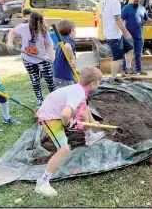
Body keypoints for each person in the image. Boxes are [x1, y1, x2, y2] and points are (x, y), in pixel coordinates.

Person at [35, 66, 105, 196]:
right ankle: (42, 183)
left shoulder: (80, 89)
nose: (99, 85)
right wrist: (68, 124)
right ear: (93, 83)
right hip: (49, 118)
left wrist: (93, 122)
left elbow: (84, 108)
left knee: (82, 110)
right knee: (64, 149)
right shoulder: (78, 93)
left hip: (53, 111)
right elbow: (65, 114)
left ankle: (89, 136)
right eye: (99, 82)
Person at [7, 11, 56, 109]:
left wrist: (53, 59)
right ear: (32, 22)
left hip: (42, 59)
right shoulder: (23, 28)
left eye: (42, 22)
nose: (41, 24)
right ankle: (40, 100)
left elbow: (48, 45)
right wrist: (10, 42)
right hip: (28, 59)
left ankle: (54, 99)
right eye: (38, 22)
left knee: (50, 80)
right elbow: (12, 31)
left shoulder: (44, 30)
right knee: (35, 81)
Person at [99, 0, 134, 85]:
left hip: (115, 33)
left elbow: (101, 15)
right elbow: (118, 19)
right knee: (117, 58)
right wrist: (126, 32)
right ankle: (113, 78)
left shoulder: (105, 0)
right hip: (114, 35)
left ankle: (127, 69)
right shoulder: (115, 2)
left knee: (130, 48)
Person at [121, 0, 152, 76]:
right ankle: (125, 70)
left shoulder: (142, 8)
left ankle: (138, 69)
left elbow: (146, 19)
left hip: (139, 36)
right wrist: (123, 33)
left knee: (138, 53)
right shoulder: (126, 8)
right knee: (128, 52)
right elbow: (120, 21)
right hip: (129, 36)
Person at [53, 19, 77, 88]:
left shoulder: (62, 39)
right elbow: (67, 46)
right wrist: (73, 58)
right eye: (75, 30)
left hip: (58, 75)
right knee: (69, 95)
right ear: (72, 31)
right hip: (64, 77)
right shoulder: (69, 39)